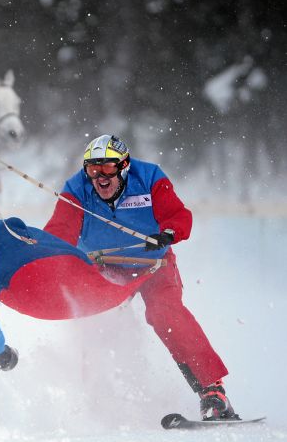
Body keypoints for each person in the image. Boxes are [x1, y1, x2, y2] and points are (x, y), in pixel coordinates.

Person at [44, 134, 237, 421]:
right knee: (93, 317)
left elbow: (178, 215)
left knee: (165, 314)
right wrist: (46, 256)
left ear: (123, 167)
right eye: (93, 170)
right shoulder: (76, 188)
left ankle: (212, 392)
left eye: (107, 168)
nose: (100, 178)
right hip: (105, 267)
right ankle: (95, 396)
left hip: (154, 266)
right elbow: (60, 232)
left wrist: (168, 233)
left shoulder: (149, 177)